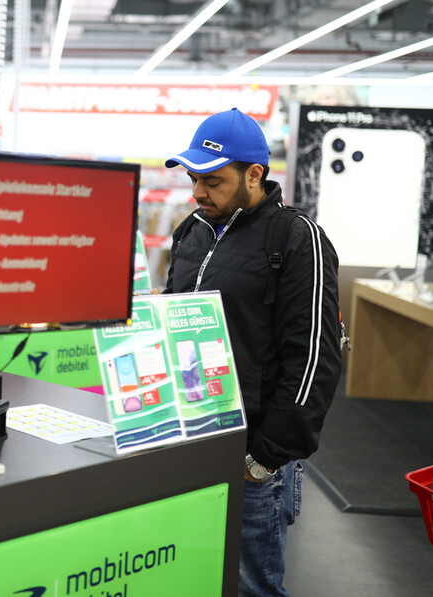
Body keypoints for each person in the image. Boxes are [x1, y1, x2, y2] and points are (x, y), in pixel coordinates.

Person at [163, 108, 342, 597]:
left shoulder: (296, 238)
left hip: (253, 461)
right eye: (193, 179)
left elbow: (314, 361)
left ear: (254, 174)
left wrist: (264, 458)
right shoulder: (192, 232)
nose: (198, 192)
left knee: (250, 589)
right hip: (189, 445)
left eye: (213, 181)